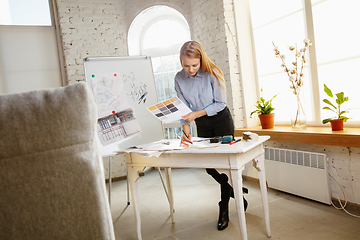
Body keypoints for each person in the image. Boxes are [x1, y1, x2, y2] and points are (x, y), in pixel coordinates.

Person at [174, 40, 248, 231]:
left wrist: (195, 114)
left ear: (201, 59)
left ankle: (224, 208)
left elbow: (220, 104)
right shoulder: (179, 79)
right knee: (208, 167)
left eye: (194, 65)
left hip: (221, 119)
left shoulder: (213, 73)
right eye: (186, 65)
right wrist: (186, 132)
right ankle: (235, 191)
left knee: (224, 164)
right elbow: (183, 110)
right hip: (202, 123)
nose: (190, 70)